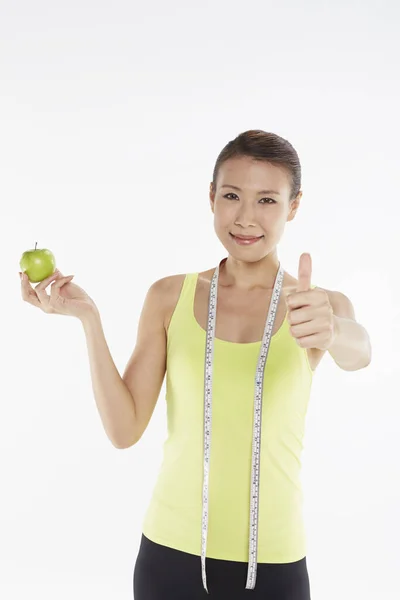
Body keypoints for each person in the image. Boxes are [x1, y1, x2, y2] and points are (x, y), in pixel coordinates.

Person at [19, 130, 372, 600]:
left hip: (275, 562)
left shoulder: (316, 306)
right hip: (169, 556)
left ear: (293, 206)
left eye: (267, 200)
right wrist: (89, 319)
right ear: (211, 198)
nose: (246, 218)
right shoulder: (170, 296)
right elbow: (124, 430)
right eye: (231, 196)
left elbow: (361, 353)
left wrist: (333, 332)